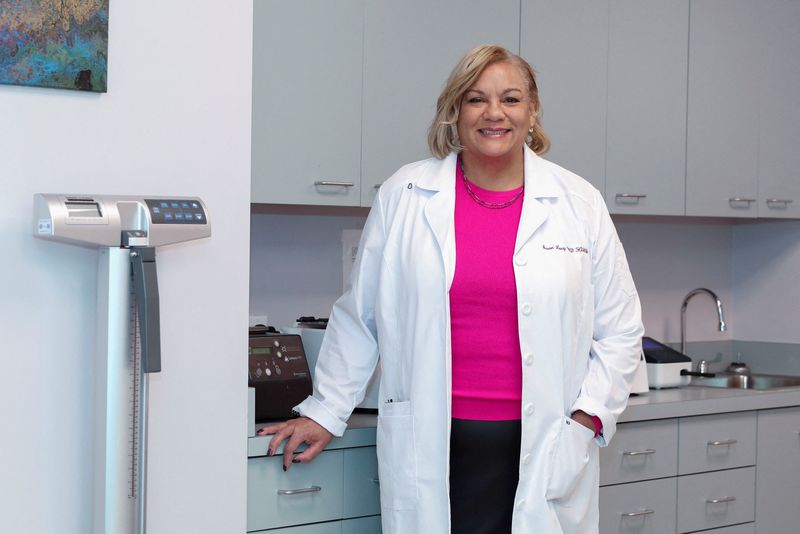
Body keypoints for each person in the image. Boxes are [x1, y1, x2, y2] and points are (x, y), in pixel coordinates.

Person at [258, 44, 644, 534]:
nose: (494, 114)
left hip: (546, 439)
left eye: (510, 99)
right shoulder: (407, 193)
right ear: (455, 110)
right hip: (434, 437)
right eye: (476, 99)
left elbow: (621, 329)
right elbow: (362, 315)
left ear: (532, 111)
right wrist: (325, 412)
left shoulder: (578, 202)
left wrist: (589, 417)